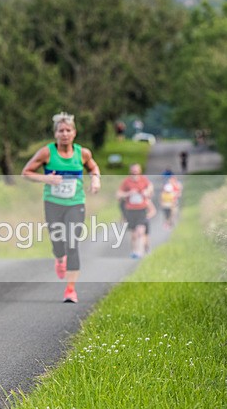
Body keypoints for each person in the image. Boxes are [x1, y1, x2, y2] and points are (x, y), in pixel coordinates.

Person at [21, 112, 101, 303]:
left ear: (74, 133)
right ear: (55, 134)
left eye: (68, 130)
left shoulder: (83, 153)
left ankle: (70, 290)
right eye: (61, 131)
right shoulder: (47, 152)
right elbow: (26, 172)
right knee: (58, 242)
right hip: (53, 203)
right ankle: (59, 257)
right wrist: (46, 178)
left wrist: (96, 179)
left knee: (72, 243)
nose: (65, 134)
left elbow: (93, 167)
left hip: (76, 202)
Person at [117, 163, 153, 258]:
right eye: (133, 172)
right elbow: (119, 194)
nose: (135, 173)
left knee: (140, 231)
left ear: (140, 171)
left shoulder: (144, 180)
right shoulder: (126, 182)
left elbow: (150, 188)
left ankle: (140, 252)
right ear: (130, 172)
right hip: (131, 210)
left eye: (137, 171)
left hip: (142, 209)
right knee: (134, 234)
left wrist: (147, 192)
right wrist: (128, 193)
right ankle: (134, 251)